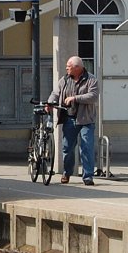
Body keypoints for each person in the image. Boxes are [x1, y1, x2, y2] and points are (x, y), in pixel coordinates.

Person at [46, 56, 100, 185]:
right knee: (67, 148)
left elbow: (93, 96)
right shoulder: (64, 80)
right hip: (69, 119)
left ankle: (88, 177)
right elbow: (56, 93)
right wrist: (50, 102)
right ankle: (67, 172)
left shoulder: (91, 79)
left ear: (77, 68)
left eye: (68, 67)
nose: (66, 69)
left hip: (86, 119)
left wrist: (75, 98)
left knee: (86, 148)